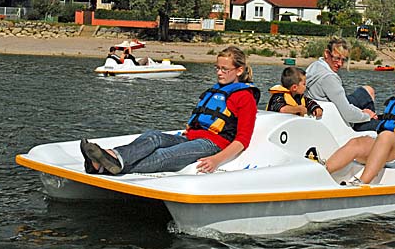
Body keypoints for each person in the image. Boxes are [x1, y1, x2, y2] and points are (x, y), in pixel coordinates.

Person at [80, 46, 260, 175]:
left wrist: (217, 160)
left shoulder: (245, 97)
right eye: (217, 68)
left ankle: (103, 166)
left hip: (212, 145)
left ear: (239, 70)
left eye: (224, 69)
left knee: (162, 155)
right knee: (153, 136)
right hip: (190, 137)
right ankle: (111, 156)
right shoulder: (218, 89)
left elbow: (242, 140)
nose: (219, 73)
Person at [305, 37, 377, 129]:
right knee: (381, 125)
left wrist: (360, 112)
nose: (340, 64)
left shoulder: (315, 66)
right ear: (327, 53)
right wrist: (367, 116)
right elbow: (347, 114)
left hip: (326, 105)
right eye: (337, 58)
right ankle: (367, 129)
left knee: (368, 90)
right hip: (335, 118)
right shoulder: (329, 78)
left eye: (343, 60)